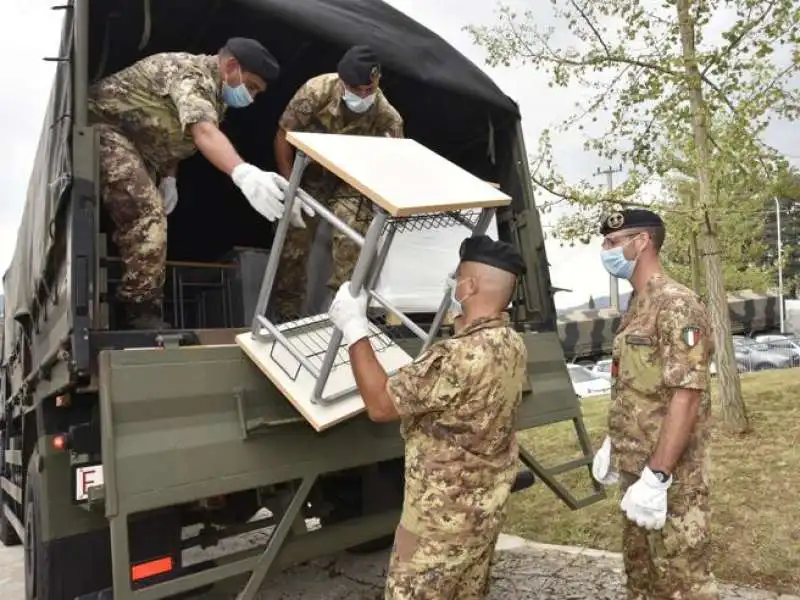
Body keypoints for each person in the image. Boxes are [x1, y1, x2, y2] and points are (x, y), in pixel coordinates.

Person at [327, 235, 528, 599]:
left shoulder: (457, 356)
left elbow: (380, 404)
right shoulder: (511, 343)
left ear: (469, 286)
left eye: (457, 277)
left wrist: (354, 326)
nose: (453, 284)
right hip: (481, 517)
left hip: (438, 526)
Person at [88, 37, 312, 329]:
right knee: (147, 214)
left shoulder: (216, 97)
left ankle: (139, 304)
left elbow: (171, 137)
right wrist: (244, 174)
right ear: (231, 66)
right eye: (252, 87)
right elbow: (203, 132)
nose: (253, 97)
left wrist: (169, 178)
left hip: (139, 146)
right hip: (103, 126)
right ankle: (138, 312)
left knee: (153, 217)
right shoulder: (190, 74)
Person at [590, 209, 719, 600]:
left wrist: (658, 476)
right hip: (637, 470)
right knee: (643, 580)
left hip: (671, 479)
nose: (606, 250)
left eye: (613, 242)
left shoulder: (676, 304)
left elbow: (687, 394)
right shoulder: (638, 305)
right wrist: (615, 442)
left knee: (682, 583)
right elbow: (639, 385)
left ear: (642, 241)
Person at [271, 44, 404, 321]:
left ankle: (344, 313)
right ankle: (286, 315)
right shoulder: (315, 91)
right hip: (308, 177)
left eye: (370, 89)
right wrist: (289, 187)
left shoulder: (386, 114)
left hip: (348, 181)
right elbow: (284, 135)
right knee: (293, 246)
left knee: (352, 238)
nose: (364, 95)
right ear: (343, 82)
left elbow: (397, 156)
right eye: (357, 90)